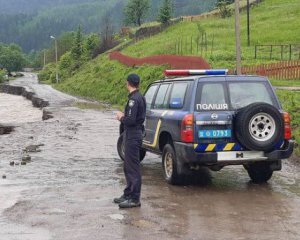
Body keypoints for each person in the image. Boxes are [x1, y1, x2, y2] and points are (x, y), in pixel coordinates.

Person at [115, 73, 146, 208]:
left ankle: (134, 198)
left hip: (133, 134)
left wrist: (121, 117)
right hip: (133, 134)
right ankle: (128, 193)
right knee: (128, 166)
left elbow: (131, 120)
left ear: (128, 83)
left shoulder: (134, 100)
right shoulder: (141, 97)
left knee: (133, 167)